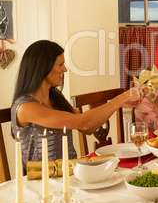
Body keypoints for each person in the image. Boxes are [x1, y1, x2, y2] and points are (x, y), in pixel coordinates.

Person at [11, 40, 143, 169]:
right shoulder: (25, 107)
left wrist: (118, 104)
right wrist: (121, 98)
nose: (65, 69)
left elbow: (88, 129)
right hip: (43, 182)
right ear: (42, 67)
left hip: (69, 173)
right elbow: (83, 122)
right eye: (60, 64)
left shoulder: (55, 97)